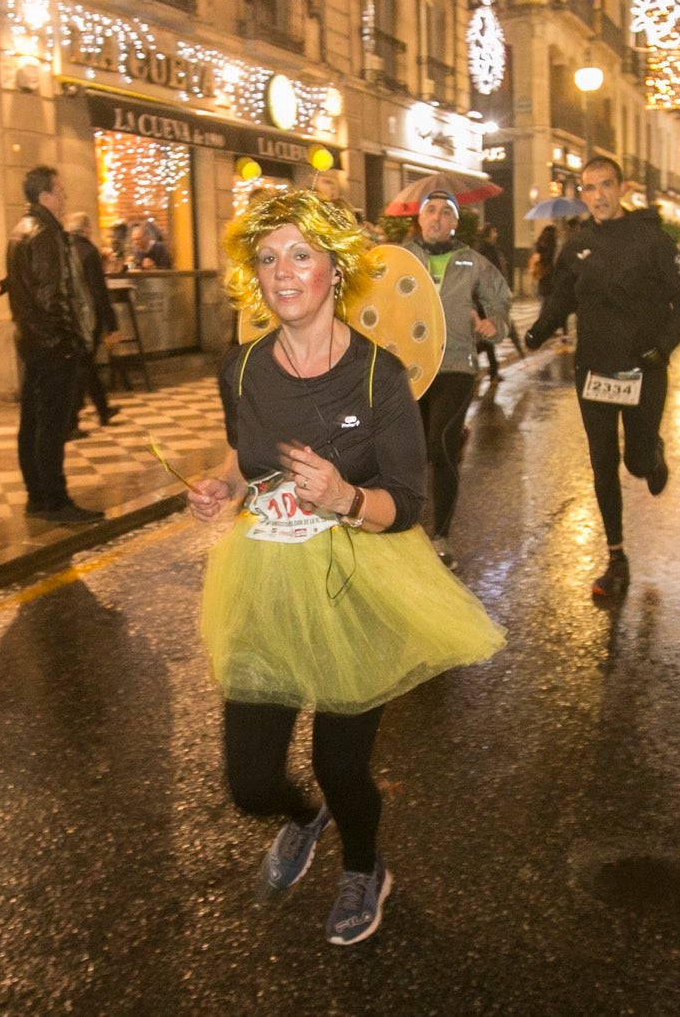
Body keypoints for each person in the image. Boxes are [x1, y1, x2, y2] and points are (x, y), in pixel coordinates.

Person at [186, 189, 504, 946]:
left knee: (341, 764)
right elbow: (245, 454)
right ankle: (303, 817)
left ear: (333, 269)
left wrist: (345, 495)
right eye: (267, 258)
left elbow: (408, 501)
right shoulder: (242, 368)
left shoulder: (378, 377)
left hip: (355, 580)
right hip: (264, 579)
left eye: (300, 254)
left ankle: (364, 864)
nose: (282, 272)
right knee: (251, 780)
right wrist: (222, 487)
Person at [524, 156, 680, 598]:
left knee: (634, 462)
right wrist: (537, 332)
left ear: (623, 188)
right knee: (602, 461)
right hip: (595, 369)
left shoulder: (652, 240)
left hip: (645, 367)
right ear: (582, 193)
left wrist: (662, 348)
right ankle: (616, 558)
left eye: (605, 186)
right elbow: (561, 298)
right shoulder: (578, 245)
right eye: (589, 188)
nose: (598, 196)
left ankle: (652, 456)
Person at [401, 191, 512, 568]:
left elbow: (500, 298)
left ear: (453, 222)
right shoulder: (401, 258)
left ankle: (441, 536)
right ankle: (404, 530)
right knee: (409, 452)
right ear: (419, 220)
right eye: (429, 210)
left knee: (439, 446)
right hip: (408, 370)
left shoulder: (472, 261)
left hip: (456, 367)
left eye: (444, 212)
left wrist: (492, 323)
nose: (436, 217)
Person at [4, 166, 101, 524]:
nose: (64, 197)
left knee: (31, 422)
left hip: (30, 341)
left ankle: (37, 498)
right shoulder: (44, 233)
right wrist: (68, 341)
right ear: (44, 194)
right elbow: (50, 295)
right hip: (51, 344)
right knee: (51, 427)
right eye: (60, 190)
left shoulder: (21, 231)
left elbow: (26, 282)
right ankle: (56, 502)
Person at [64, 213, 120, 434]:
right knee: (84, 366)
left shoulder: (65, 249)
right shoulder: (88, 252)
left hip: (70, 316)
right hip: (89, 318)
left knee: (84, 365)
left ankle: (101, 409)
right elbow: (99, 292)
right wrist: (111, 325)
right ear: (86, 229)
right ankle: (71, 420)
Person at [471, 222, 523, 379]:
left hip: (478, 298)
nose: (497, 234)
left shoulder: (474, 250)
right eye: (494, 231)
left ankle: (492, 368)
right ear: (489, 234)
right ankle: (484, 365)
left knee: (488, 332)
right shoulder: (491, 251)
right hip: (490, 299)